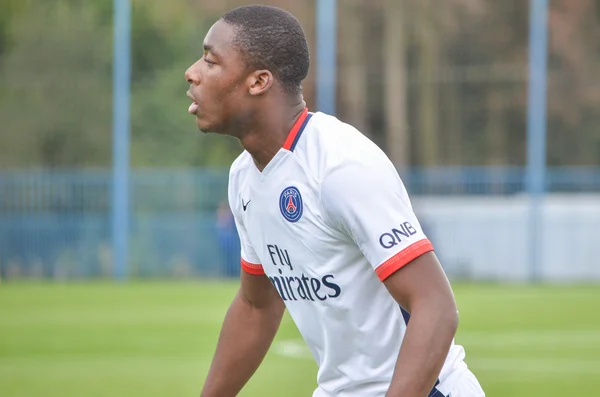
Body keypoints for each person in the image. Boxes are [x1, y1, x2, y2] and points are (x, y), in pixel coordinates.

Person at [185, 5, 484, 397]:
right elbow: (257, 308)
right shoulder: (244, 177)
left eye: (210, 60)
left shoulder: (341, 167)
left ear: (258, 81)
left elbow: (436, 307)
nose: (193, 72)